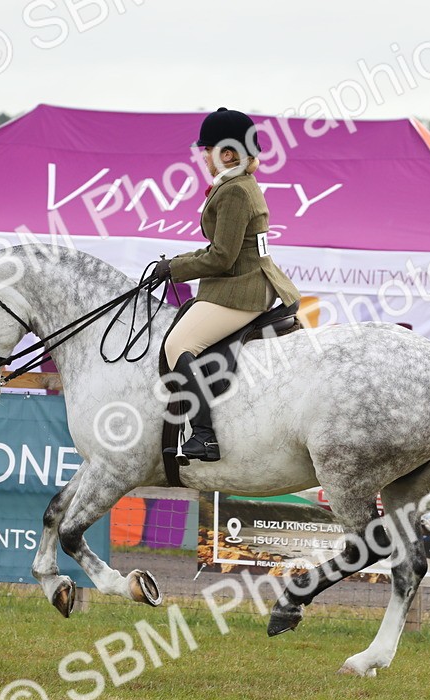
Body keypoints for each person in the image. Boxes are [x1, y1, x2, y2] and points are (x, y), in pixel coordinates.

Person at [152, 107, 301, 463]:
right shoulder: (239, 185)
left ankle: (204, 436)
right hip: (248, 280)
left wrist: (173, 269)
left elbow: (221, 258)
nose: (203, 156)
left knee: (177, 344)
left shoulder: (234, 192)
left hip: (243, 288)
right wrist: (175, 262)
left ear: (228, 154)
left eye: (207, 149)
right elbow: (220, 247)